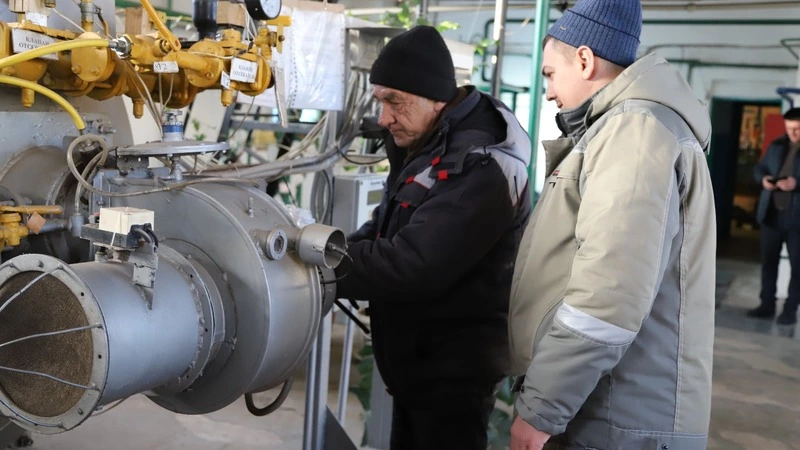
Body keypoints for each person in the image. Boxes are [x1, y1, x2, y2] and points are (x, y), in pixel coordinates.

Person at [507, 1, 717, 449]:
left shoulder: (634, 131)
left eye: (550, 74)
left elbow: (607, 296)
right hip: (612, 410)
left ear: (584, 60)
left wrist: (541, 408)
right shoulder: (628, 128)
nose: (548, 91)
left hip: (616, 417)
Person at [334, 26, 532, 450]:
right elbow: (385, 226)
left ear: (435, 98)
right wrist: (325, 248)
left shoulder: (481, 165)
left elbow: (413, 263)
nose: (383, 118)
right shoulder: (428, 146)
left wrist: (326, 268)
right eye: (380, 101)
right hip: (417, 367)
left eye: (394, 102)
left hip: (452, 377)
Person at [750, 107, 800, 325]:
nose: (792, 133)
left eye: (797, 129)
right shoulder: (777, 145)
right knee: (768, 263)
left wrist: (797, 184)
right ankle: (766, 305)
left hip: (796, 220)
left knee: (797, 269)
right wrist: (764, 180)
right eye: (789, 128)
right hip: (771, 215)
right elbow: (759, 168)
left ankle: (790, 311)